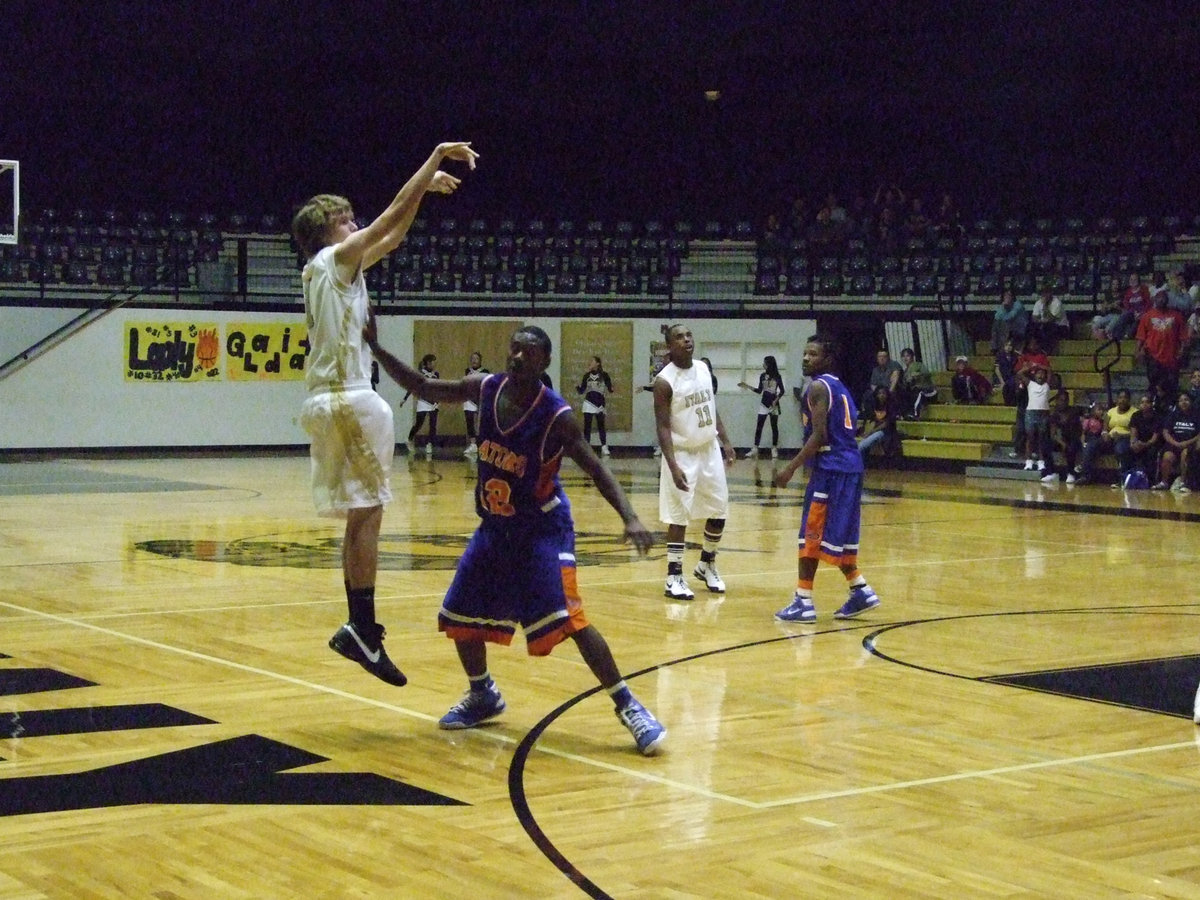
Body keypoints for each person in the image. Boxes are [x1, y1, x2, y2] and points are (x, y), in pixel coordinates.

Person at [364, 318, 667, 755]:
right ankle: (483, 693)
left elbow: (596, 469)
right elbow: (423, 387)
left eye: (529, 351)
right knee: (459, 614)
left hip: (543, 530)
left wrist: (630, 515)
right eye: (514, 348)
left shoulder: (556, 416)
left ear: (545, 361)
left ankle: (629, 704)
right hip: (497, 527)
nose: (518, 356)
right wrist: (376, 346)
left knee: (570, 619)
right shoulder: (483, 388)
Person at [291, 139, 478, 687]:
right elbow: (390, 218)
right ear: (325, 234)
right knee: (369, 514)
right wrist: (434, 161)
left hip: (334, 399)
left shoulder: (334, 270)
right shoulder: (332, 260)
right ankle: (362, 628)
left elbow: (394, 232)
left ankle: (361, 628)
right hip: (349, 396)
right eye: (345, 220)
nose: (356, 224)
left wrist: (424, 196)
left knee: (361, 515)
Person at [774, 334, 880, 623]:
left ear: (827, 359)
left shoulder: (818, 387)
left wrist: (790, 468)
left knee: (811, 534)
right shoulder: (839, 386)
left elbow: (819, 436)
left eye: (813, 354)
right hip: (850, 466)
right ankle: (860, 589)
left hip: (832, 468)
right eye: (805, 353)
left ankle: (803, 601)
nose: (806, 358)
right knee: (840, 536)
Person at [654, 324, 736, 599]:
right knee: (679, 516)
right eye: (679, 337)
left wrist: (725, 441)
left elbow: (711, 407)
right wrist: (673, 464)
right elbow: (663, 427)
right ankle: (673, 576)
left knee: (719, 509)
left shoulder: (702, 368)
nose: (686, 339)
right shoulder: (664, 381)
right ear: (669, 346)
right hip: (682, 453)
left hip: (708, 448)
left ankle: (706, 563)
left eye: (689, 335)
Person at [1135, 287, 1187, 402]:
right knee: (1154, 384)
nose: (1161, 300)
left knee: (1172, 385)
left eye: (1163, 298)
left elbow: (1183, 335)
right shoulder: (1147, 316)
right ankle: (1154, 406)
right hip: (1153, 356)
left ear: (1167, 300)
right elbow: (1141, 336)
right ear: (1155, 300)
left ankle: (1170, 406)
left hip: (1171, 357)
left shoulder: (1176, 316)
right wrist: (1138, 351)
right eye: (1159, 298)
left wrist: (1182, 349)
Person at [1077, 390, 1134, 485]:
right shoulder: (1111, 411)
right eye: (1120, 397)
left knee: (1120, 449)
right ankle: (1086, 476)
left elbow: (1135, 432)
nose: (1122, 400)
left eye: (1125, 398)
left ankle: (1121, 479)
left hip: (1125, 438)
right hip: (1110, 438)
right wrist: (1104, 434)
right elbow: (1105, 427)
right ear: (1117, 400)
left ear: (1129, 400)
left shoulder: (1134, 412)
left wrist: (1122, 435)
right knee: (1091, 446)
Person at [738, 355, 784, 458]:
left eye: (765, 363)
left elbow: (782, 391)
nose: (763, 365)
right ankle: (755, 448)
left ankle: (774, 448)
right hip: (764, 403)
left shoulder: (777, 376)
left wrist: (776, 400)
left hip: (774, 405)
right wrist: (747, 386)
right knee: (759, 426)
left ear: (769, 364)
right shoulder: (762, 376)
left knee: (774, 426)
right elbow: (759, 391)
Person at [1154, 392, 1200, 492]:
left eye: (1186, 400)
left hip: (1190, 444)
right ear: (1178, 403)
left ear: (1191, 402)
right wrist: (1175, 443)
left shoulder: (1197, 415)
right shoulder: (1173, 415)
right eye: (1181, 400)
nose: (1184, 402)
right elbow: (1166, 432)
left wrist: (1187, 442)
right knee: (1167, 456)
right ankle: (1164, 482)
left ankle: (1183, 483)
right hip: (1174, 444)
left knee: (1185, 454)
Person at [401, 354, 440, 456]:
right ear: (427, 363)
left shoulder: (436, 374)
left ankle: (429, 444)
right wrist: (404, 399)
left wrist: (439, 400)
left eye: (434, 362)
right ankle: (409, 439)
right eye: (432, 362)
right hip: (423, 402)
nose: (434, 364)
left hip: (434, 403)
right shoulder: (420, 374)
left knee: (433, 425)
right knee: (419, 424)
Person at [576, 355, 615, 457]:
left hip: (600, 404)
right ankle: (586, 447)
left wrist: (613, 388)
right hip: (588, 403)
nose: (590, 363)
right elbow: (581, 391)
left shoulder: (604, 375)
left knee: (601, 426)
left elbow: (610, 389)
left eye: (592, 361)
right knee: (587, 427)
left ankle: (604, 446)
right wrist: (577, 386)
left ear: (598, 363)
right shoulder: (587, 376)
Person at [1041, 391, 1082, 484]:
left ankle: (1071, 473)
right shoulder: (1054, 415)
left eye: (1065, 400)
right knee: (1046, 444)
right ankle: (1051, 472)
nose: (1063, 402)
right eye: (1061, 400)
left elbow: (1078, 431)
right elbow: (1053, 433)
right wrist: (1061, 443)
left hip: (1073, 438)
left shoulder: (1073, 412)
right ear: (1056, 401)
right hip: (1060, 440)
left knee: (1071, 446)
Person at [1022, 365, 1052, 472]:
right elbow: (1020, 374)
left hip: (1043, 414)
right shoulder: (1030, 384)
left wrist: (1040, 366)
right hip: (1031, 413)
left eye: (1042, 373)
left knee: (1041, 438)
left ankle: (1041, 461)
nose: (1041, 375)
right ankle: (1028, 461)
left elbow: (1049, 370)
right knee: (1030, 437)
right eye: (1038, 373)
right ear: (1034, 375)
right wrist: (1031, 367)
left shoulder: (1047, 385)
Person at [857, 386, 900, 461]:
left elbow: (886, 424)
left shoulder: (891, 406)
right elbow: (872, 421)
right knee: (863, 444)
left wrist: (871, 432)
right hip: (876, 431)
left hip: (887, 432)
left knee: (861, 446)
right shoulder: (874, 406)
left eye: (884, 393)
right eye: (879, 393)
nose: (882, 395)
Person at [1126, 393, 1161, 482]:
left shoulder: (1157, 417)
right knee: (1127, 449)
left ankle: (1150, 480)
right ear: (1139, 405)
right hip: (1139, 442)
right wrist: (1133, 443)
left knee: (1151, 452)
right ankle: (1127, 477)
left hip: (1152, 443)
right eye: (1142, 402)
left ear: (1152, 404)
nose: (1144, 404)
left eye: (1147, 402)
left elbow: (1155, 438)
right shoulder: (1135, 415)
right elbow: (1133, 432)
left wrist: (1144, 445)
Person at [896, 347, 938, 419]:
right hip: (915, 393)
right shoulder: (905, 372)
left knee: (918, 392)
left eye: (907, 356)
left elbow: (927, 374)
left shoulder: (919, 365)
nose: (905, 358)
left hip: (928, 392)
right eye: (903, 356)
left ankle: (915, 414)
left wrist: (917, 374)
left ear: (912, 357)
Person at [860, 349, 903, 417]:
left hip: (891, 390)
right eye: (880, 357)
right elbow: (873, 384)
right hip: (879, 391)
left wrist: (888, 393)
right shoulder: (875, 370)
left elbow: (895, 379)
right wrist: (877, 393)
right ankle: (868, 414)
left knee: (894, 394)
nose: (882, 358)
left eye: (884, 356)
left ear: (888, 357)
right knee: (868, 394)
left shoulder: (894, 365)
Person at [461, 351, 488, 456]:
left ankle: (483, 444)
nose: (474, 361)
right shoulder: (468, 371)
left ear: (480, 360)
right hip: (470, 399)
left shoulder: (485, 371)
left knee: (482, 422)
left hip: (481, 399)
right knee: (469, 420)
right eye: (472, 358)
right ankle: (473, 444)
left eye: (476, 358)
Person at [1029, 285, 1070, 353]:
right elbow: (1034, 317)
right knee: (1031, 327)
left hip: (1061, 326)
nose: (1045, 295)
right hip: (1043, 324)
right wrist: (1040, 321)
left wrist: (1045, 306)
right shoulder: (1038, 302)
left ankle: (1048, 350)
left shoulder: (1057, 303)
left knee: (1048, 327)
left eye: (1047, 293)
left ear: (1051, 293)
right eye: (1043, 293)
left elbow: (1051, 318)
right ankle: (1032, 349)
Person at [990, 289, 1029, 354]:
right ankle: (996, 347)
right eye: (1005, 296)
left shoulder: (1018, 305)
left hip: (1021, 329)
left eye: (1009, 295)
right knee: (996, 324)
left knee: (1002, 324)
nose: (1007, 297)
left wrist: (1004, 308)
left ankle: (999, 348)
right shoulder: (1003, 306)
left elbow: (1010, 317)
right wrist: (1003, 307)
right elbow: (996, 317)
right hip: (1009, 330)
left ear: (1013, 297)